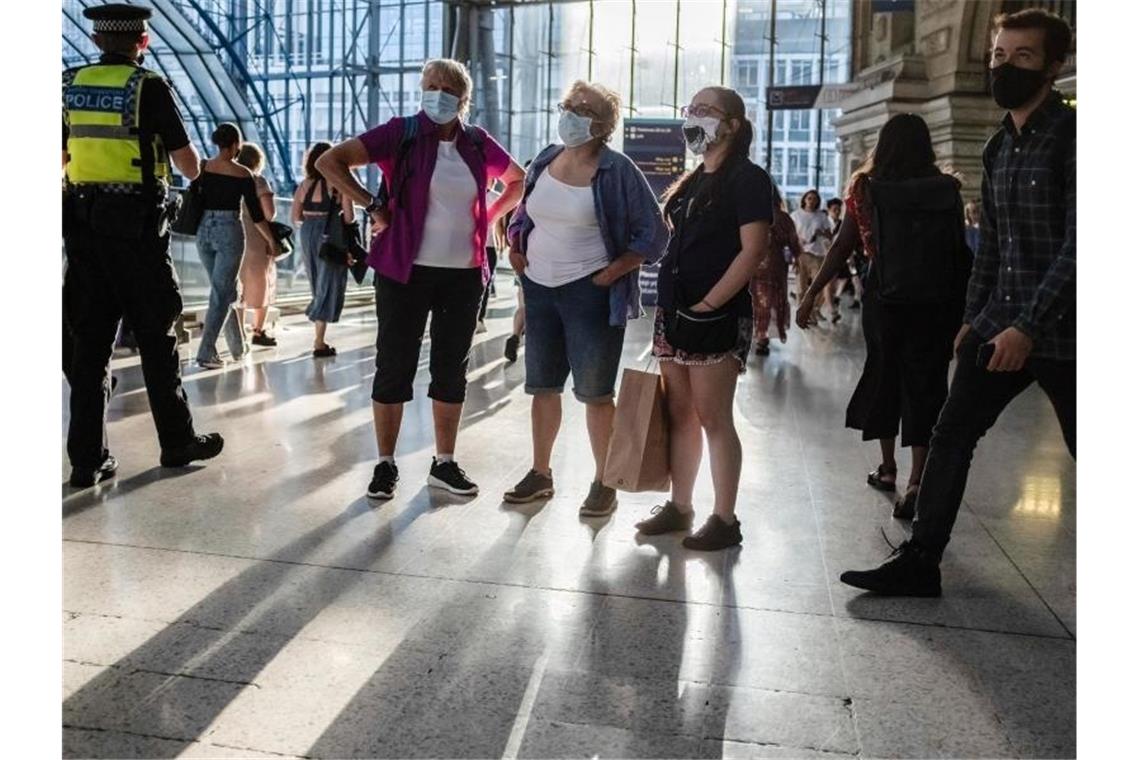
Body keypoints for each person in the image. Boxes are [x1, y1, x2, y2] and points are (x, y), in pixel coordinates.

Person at [840, 9, 1075, 597]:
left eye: (1022, 57)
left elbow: (1083, 246)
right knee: (950, 435)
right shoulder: (997, 148)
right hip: (999, 327)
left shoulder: (1076, 140)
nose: (1004, 66)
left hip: (1068, 334)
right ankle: (922, 560)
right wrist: (974, 317)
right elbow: (991, 245)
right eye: (998, 55)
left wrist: (1028, 325)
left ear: (1055, 66)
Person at [317, 58, 525, 500]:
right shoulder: (402, 132)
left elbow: (516, 181)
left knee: (452, 368)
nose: (437, 93)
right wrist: (373, 204)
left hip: (464, 274)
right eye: (430, 85)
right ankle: (385, 464)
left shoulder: (476, 142)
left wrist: (487, 217)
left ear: (463, 99)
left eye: (447, 87)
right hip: (403, 272)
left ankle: (444, 463)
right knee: (394, 365)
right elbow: (331, 162)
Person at [62, 4, 223, 487]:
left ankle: (87, 460)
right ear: (143, 41)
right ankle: (176, 442)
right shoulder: (147, 87)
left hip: (83, 227)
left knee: (88, 346)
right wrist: (189, 172)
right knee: (156, 338)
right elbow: (187, 161)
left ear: (95, 41)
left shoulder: (68, 86)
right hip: (136, 231)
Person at [502, 80, 668, 515]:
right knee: (542, 387)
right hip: (538, 288)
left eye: (584, 108)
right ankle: (541, 473)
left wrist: (612, 272)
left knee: (595, 393)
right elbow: (524, 211)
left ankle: (604, 480)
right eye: (568, 104)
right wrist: (516, 247)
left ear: (603, 124)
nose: (572, 113)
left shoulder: (618, 170)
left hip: (588, 294)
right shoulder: (546, 157)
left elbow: (655, 234)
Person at [796, 113, 970, 519]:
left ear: (883, 145)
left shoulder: (866, 189)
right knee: (926, 385)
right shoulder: (948, 189)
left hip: (885, 298)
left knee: (885, 375)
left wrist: (809, 295)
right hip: (936, 303)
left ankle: (889, 469)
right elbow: (959, 252)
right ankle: (917, 482)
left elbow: (841, 247)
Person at [632, 86, 772, 551]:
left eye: (704, 111)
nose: (692, 117)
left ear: (732, 124)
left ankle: (725, 518)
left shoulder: (747, 179)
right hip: (676, 313)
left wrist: (709, 306)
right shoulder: (694, 179)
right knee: (679, 413)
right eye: (689, 109)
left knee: (714, 416)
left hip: (715, 316)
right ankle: (681, 505)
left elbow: (752, 251)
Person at [195, 122, 281, 369]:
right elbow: (256, 214)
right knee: (223, 292)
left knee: (225, 290)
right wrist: (271, 239)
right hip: (228, 231)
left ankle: (237, 346)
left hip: (203, 231)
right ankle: (206, 352)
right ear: (235, 145)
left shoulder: (204, 167)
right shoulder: (244, 174)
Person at [291, 142, 355, 358]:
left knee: (316, 281)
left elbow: (295, 217)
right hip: (331, 234)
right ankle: (318, 340)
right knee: (329, 283)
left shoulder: (304, 185)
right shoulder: (337, 183)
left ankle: (319, 333)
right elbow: (349, 217)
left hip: (308, 232)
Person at [750, 185, 801, 356]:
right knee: (769, 300)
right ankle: (762, 339)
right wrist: (797, 257)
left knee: (752, 300)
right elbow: (793, 241)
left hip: (748, 264)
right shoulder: (783, 217)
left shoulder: (748, 213)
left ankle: (753, 335)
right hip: (774, 265)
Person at [236, 142, 279, 347]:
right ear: (257, 161)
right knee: (261, 285)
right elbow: (269, 214)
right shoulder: (259, 182)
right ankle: (258, 331)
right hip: (257, 240)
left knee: (239, 288)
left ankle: (238, 333)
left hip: (235, 237)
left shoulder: (232, 178)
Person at [791, 189, 835, 324]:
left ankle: (814, 310)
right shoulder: (796, 215)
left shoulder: (821, 216)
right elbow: (791, 235)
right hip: (801, 253)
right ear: (804, 199)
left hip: (818, 254)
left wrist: (820, 232)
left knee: (819, 285)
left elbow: (830, 235)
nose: (812, 201)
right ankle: (802, 313)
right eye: (809, 198)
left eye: (815, 199)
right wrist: (797, 241)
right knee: (801, 285)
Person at [497, 214, 525, 363]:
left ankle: (515, 335)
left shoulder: (519, 209)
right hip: (533, 260)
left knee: (522, 306)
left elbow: (510, 228)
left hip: (521, 259)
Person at [826, 196, 863, 311]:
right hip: (830, 256)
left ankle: (854, 298)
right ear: (829, 210)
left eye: (838, 210)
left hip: (847, 257)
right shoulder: (825, 223)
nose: (837, 212)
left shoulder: (843, 225)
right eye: (834, 209)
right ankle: (832, 300)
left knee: (851, 276)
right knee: (833, 280)